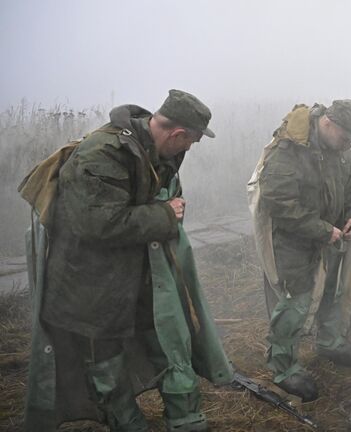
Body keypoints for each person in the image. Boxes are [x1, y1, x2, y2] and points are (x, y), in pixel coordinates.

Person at [19, 90, 233, 432]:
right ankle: (127, 422)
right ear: (177, 134)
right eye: (190, 141)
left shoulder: (155, 151)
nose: (190, 149)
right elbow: (95, 224)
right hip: (87, 281)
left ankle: (185, 417)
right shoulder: (102, 155)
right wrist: (163, 215)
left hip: (135, 271)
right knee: (103, 355)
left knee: (166, 336)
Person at [247, 100, 351, 402]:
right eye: (345, 137)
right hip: (293, 241)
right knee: (295, 302)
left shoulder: (341, 152)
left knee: (333, 290)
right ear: (328, 123)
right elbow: (279, 204)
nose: (347, 145)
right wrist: (323, 229)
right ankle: (283, 366)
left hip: (331, 235)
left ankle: (328, 342)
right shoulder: (288, 150)